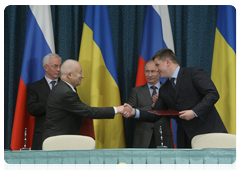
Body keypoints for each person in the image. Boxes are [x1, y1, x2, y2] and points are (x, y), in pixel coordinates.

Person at [124, 48, 227, 148]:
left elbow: (212, 94)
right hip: (185, 140)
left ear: (168, 62)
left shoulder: (193, 73)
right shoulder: (164, 89)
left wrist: (194, 112)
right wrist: (134, 112)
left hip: (209, 133)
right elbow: (155, 114)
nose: (156, 69)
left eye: (157, 65)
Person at [42, 59, 126, 142]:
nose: (82, 76)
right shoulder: (65, 93)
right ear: (69, 75)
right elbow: (88, 112)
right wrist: (117, 109)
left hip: (62, 139)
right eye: (80, 72)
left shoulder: (64, 88)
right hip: (59, 141)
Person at [128, 60, 174, 148]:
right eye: (147, 71)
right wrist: (151, 106)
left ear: (159, 72)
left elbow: (174, 109)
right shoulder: (136, 91)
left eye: (153, 71)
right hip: (143, 138)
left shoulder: (168, 89)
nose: (149, 75)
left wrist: (162, 105)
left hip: (163, 136)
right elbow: (130, 112)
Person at [27, 53, 62, 150]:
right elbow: (32, 109)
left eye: (60, 66)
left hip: (63, 135)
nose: (59, 69)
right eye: (55, 66)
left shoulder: (67, 87)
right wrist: (52, 102)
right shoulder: (34, 88)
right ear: (46, 67)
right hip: (42, 136)